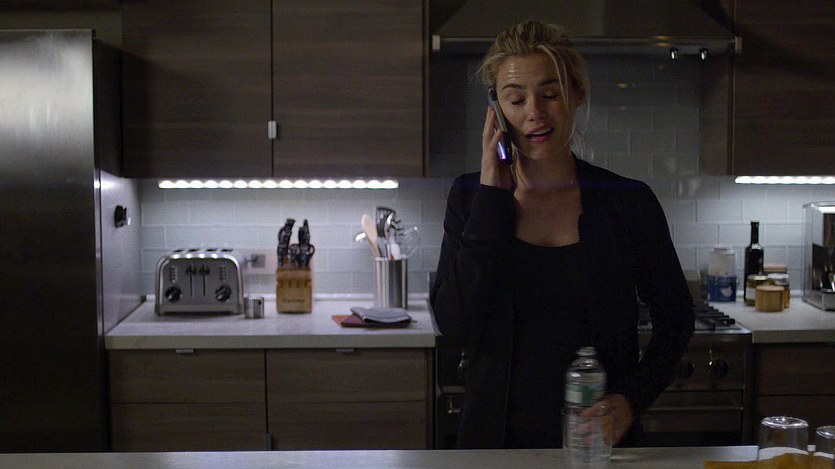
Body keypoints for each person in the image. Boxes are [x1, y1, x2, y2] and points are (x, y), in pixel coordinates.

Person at [429, 20, 694, 449]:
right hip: (493, 446)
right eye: (516, 99)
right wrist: (491, 196)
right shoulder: (469, 197)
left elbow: (676, 320)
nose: (534, 111)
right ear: (496, 110)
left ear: (578, 94)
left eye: (550, 94)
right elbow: (454, 325)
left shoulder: (628, 202)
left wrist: (630, 401)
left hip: (599, 447)